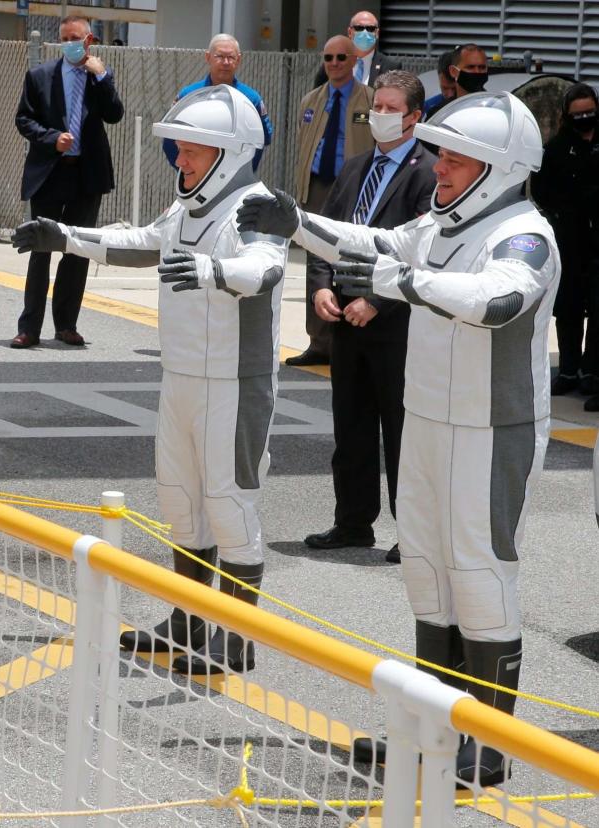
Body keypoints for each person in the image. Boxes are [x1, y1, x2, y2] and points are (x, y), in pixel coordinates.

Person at [238, 90, 557, 788]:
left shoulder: (524, 234)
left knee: (478, 573)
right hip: (432, 420)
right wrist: (298, 223)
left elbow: (497, 300)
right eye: (442, 153)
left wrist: (406, 282)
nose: (440, 166)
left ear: (499, 168)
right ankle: (435, 728)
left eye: (457, 158)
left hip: (491, 428)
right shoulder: (443, 225)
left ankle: (488, 743)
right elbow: (374, 242)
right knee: (429, 577)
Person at [13, 85, 287, 676]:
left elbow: (265, 268)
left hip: (235, 383)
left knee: (230, 505)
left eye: (192, 151)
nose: (180, 161)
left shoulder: (257, 206)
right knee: (181, 504)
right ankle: (187, 625)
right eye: (181, 149)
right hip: (182, 375)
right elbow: (141, 242)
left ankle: (236, 639)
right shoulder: (189, 203)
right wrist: (64, 236)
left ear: (230, 152)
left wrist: (216, 269)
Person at [301, 71, 436, 565]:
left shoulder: (428, 174)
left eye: (390, 108)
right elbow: (325, 234)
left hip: (395, 326)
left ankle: (413, 533)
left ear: (414, 116)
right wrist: (319, 285)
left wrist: (377, 301)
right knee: (351, 427)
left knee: (402, 432)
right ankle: (352, 522)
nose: (378, 114)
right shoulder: (355, 167)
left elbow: (423, 255)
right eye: (375, 106)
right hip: (344, 320)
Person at [10, 14, 124, 349]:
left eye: (76, 38)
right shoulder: (40, 75)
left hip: (86, 174)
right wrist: (51, 137)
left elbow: (114, 114)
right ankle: (29, 327)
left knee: (77, 250)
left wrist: (101, 76)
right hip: (50, 172)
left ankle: (66, 325)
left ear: (90, 41)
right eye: (65, 38)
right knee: (41, 248)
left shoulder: (98, 77)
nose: (70, 44)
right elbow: (23, 119)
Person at [289, 34, 374, 367]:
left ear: (354, 61)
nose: (334, 64)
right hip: (318, 187)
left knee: (353, 258)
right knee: (317, 262)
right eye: (328, 58)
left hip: (354, 187)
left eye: (341, 57)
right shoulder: (311, 100)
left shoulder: (369, 100)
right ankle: (319, 342)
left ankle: (350, 342)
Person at [531, 83, 599, 402]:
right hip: (570, 242)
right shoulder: (557, 149)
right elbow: (542, 192)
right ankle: (569, 370)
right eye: (578, 114)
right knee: (568, 308)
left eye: (590, 113)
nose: (585, 119)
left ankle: (592, 371)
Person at [161, 34, 272, 172]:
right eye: (219, 56)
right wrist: (187, 172)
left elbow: (262, 140)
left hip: (235, 182)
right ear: (208, 57)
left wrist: (242, 173)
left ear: (238, 60)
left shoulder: (250, 99)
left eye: (231, 57)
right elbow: (170, 140)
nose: (225, 62)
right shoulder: (189, 96)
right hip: (195, 183)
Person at [311, 10, 402, 88]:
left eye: (370, 28)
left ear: (377, 33)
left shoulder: (390, 66)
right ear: (350, 32)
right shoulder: (335, 61)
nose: (365, 33)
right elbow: (317, 97)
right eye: (359, 28)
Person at [422, 48, 458, 119]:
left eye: (454, 88)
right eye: (445, 88)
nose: (450, 94)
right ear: (438, 78)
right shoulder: (428, 107)